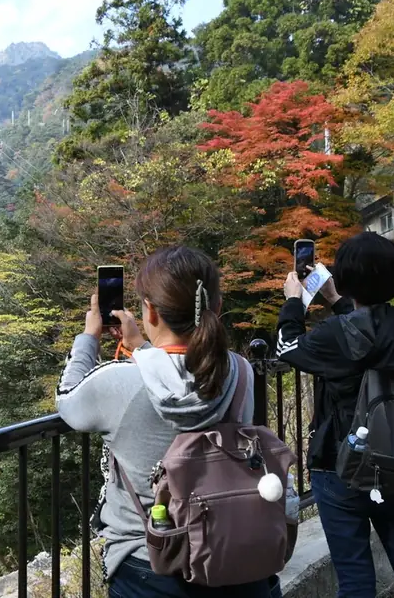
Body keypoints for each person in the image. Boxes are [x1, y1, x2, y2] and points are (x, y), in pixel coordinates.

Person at [56, 246, 273, 598]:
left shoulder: (121, 382)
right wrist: (142, 347)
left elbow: (67, 399)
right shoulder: (239, 371)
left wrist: (89, 337)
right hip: (232, 549)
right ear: (216, 308)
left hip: (151, 561)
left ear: (151, 312)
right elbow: (183, 370)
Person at [276, 232, 394, 598]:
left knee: (354, 580)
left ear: (347, 280)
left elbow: (288, 347)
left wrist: (294, 302)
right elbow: (373, 338)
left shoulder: (334, 334)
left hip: (341, 464)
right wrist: (338, 302)